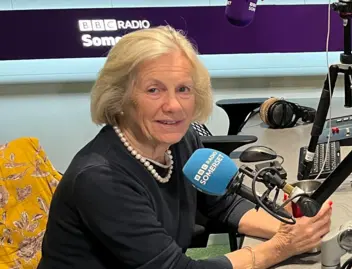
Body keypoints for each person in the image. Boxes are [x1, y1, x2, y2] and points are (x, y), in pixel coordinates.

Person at [38, 25, 333, 269]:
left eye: (183, 89)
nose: (174, 106)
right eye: (154, 90)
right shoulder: (100, 178)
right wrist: (279, 248)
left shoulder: (180, 140)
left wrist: (292, 231)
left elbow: (223, 203)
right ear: (120, 98)